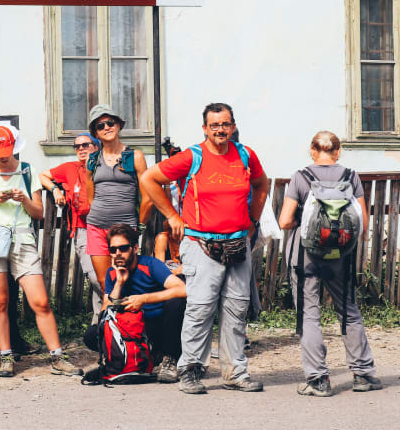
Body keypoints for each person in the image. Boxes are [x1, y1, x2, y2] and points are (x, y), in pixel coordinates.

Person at [141, 103, 270, 394]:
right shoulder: (192, 157)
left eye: (225, 124)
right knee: (200, 309)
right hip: (200, 243)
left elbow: (262, 185)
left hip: (237, 244)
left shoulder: (245, 155)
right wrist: (172, 217)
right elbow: (149, 178)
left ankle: (235, 373)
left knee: (236, 310)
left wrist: (253, 220)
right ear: (205, 129)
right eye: (214, 125)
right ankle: (190, 370)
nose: (220, 130)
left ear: (233, 126)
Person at [0, 125, 83, 378]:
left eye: (5, 152)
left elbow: (39, 213)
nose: (2, 157)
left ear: (14, 147)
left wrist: (24, 200)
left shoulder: (27, 170)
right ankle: (6, 357)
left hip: (23, 241)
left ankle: (57, 357)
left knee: (40, 301)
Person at [277, 131, 381, 396]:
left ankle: (318, 380)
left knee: (309, 314)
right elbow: (363, 222)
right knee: (348, 311)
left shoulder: (301, 177)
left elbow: (284, 221)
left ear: (313, 150)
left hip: (305, 256)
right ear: (338, 151)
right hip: (341, 256)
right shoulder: (350, 177)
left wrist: (305, 222)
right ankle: (363, 375)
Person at [83, 224, 187, 383]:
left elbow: (183, 289)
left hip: (160, 326)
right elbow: (104, 314)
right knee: (92, 334)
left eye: (123, 248)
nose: (118, 253)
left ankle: (169, 359)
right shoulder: (112, 273)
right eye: (113, 250)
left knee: (176, 303)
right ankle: (125, 360)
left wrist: (144, 299)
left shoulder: (150, 265)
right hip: (134, 329)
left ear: (135, 248)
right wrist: (119, 283)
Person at [83, 104, 152, 288]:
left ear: (118, 125)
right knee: (104, 281)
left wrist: (140, 226)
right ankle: (109, 308)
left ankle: (130, 309)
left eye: (110, 123)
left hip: (125, 227)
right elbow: (91, 197)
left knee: (126, 277)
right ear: (96, 133)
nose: (106, 127)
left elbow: (147, 197)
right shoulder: (92, 160)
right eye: (100, 126)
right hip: (97, 226)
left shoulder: (135, 156)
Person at [39, 132, 104, 323]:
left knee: (105, 275)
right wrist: (55, 189)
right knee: (94, 276)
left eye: (86, 145)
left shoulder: (104, 168)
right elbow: (42, 175)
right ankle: (116, 306)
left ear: (96, 147)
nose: (81, 149)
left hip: (106, 228)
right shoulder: (70, 168)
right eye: (77, 146)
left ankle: (99, 324)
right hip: (83, 229)